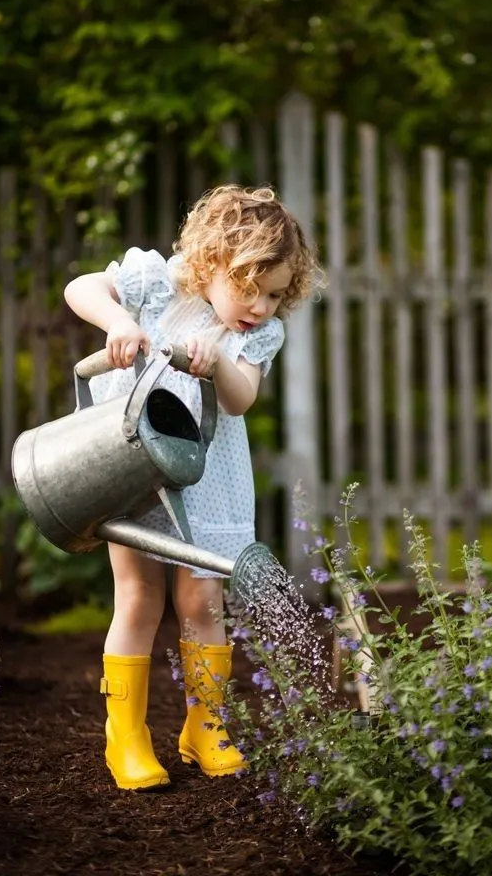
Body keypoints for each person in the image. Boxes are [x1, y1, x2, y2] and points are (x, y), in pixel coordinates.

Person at [64, 184, 322, 791]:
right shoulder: (157, 282)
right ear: (209, 264)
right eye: (248, 286)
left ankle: (206, 725)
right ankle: (124, 734)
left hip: (209, 477)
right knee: (138, 597)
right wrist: (119, 320)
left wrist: (219, 363)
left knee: (203, 602)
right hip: (129, 465)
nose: (260, 305)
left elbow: (242, 397)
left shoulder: (254, 337)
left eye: (275, 293)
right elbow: (81, 289)